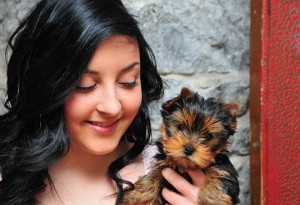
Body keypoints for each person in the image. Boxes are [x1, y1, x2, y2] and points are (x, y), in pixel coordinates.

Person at [0, 0, 206, 204]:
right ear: (46, 85)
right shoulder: (6, 172)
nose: (112, 106)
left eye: (128, 82)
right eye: (86, 84)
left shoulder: (173, 173)